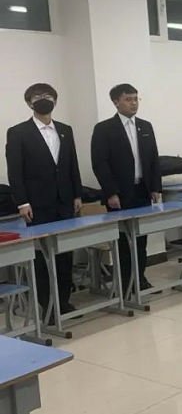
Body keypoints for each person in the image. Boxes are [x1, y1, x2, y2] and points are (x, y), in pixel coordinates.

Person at [5, 83, 83, 318]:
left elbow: (72, 164)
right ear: (29, 102)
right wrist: (22, 202)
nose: (43, 99)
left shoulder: (65, 129)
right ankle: (47, 305)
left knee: (64, 254)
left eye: (48, 95)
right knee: (42, 256)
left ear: (55, 101)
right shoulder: (18, 132)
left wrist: (77, 194)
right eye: (37, 96)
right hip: (36, 204)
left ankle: (64, 301)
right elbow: (15, 171)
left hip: (64, 201)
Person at [91, 84, 162, 293]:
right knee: (123, 241)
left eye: (136, 99)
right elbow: (100, 163)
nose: (133, 103)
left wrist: (155, 187)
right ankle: (125, 284)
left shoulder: (145, 126)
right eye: (128, 99)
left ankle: (140, 278)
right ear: (116, 102)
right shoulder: (104, 129)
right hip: (120, 194)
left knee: (140, 239)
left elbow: (153, 159)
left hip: (142, 190)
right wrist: (111, 192)